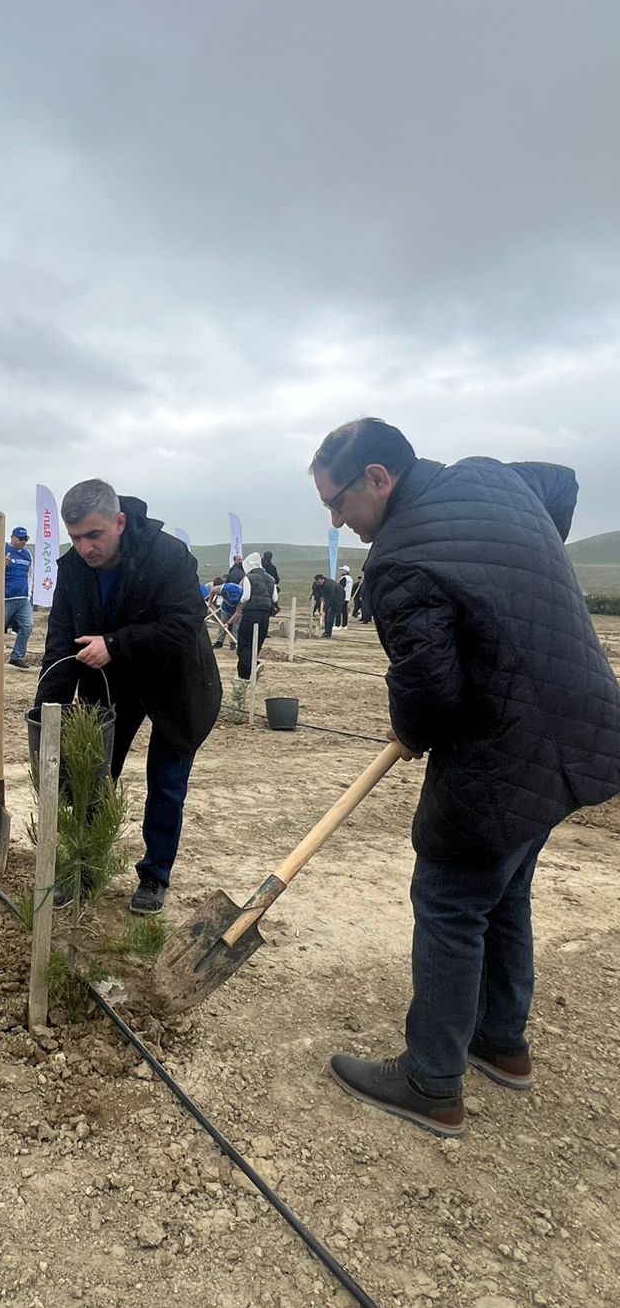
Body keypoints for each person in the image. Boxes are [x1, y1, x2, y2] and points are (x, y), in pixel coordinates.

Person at [310, 416, 620, 1138]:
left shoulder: (398, 561)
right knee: (503, 886)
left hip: (507, 744)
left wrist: (410, 729)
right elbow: (560, 487)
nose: (336, 520)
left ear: (379, 480)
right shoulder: (491, 474)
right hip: (581, 723)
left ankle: (431, 1080)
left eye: (339, 502)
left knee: (450, 896)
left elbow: (433, 694)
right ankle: (500, 1042)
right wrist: (523, 575)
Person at [34, 479, 221, 914]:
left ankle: (155, 876)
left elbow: (184, 623)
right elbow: (60, 646)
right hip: (111, 684)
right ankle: (83, 867)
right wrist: (47, 712)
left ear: (119, 522)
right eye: (76, 537)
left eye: (93, 535)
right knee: (91, 776)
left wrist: (115, 645)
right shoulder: (73, 570)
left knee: (166, 784)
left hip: (177, 684)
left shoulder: (168, 556)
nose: (85, 548)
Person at [0, 526, 34, 670]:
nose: (23, 542)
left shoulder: (27, 555)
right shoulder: (1, 550)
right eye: (21, 539)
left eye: (25, 539)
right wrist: (0, 564)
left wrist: (29, 593)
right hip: (5, 597)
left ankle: (16, 656)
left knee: (27, 625)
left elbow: (30, 575)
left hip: (22, 598)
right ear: (12, 538)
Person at [235, 552, 277, 681]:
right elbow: (275, 598)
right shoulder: (271, 578)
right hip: (265, 615)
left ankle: (248, 672)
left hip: (251, 613)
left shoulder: (249, 577)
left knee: (244, 643)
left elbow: (246, 597)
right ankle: (248, 670)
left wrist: (238, 604)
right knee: (257, 642)